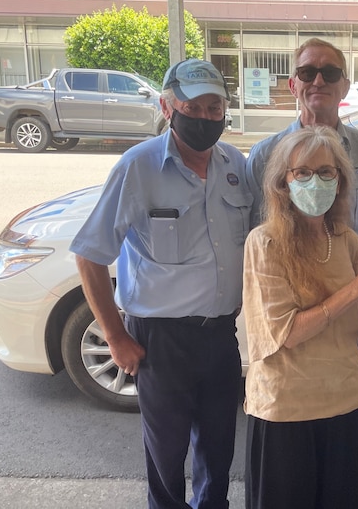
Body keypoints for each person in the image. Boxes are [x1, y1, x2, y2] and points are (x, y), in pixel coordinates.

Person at [70, 59, 252, 509]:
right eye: (194, 106)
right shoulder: (138, 168)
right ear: (167, 107)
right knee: (167, 455)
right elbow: (90, 256)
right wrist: (114, 337)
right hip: (160, 341)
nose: (207, 117)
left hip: (220, 336)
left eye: (215, 107)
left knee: (218, 449)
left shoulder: (235, 164)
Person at [245, 37, 358, 505]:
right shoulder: (262, 169)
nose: (319, 81)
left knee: (350, 480)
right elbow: (283, 325)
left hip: (346, 368)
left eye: (330, 72)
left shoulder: (354, 218)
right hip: (287, 387)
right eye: (301, 174)